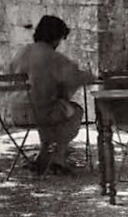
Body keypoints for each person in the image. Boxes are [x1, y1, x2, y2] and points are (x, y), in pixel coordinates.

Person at [8, 15, 97, 174]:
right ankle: (58, 156)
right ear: (55, 37)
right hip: (41, 112)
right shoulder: (52, 57)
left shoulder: (20, 53)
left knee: (50, 105)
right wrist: (89, 75)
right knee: (75, 111)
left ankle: (44, 153)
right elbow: (74, 77)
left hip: (17, 111)